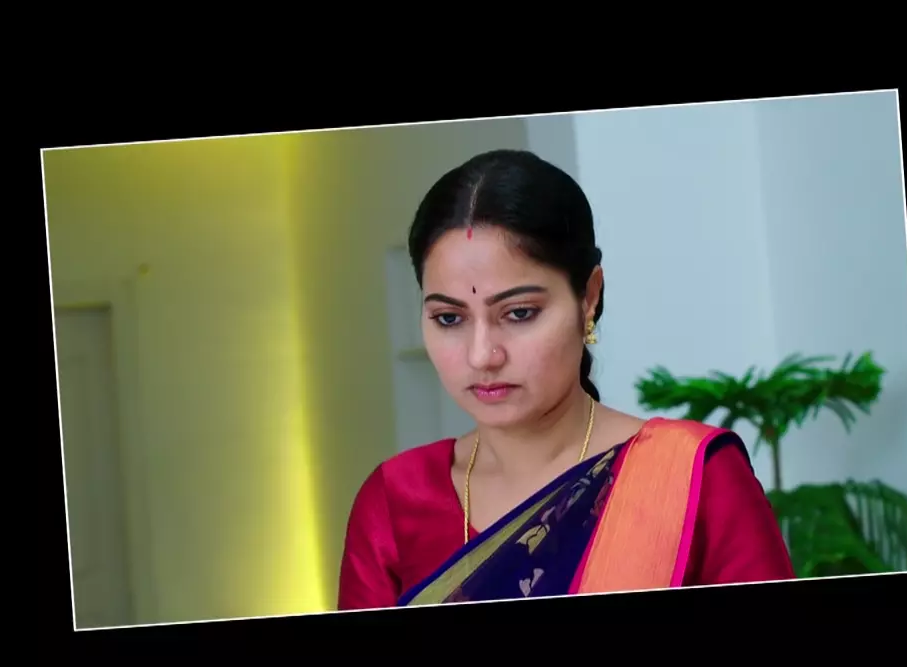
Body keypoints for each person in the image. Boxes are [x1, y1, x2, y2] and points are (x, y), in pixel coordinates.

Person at [337, 149, 794, 610]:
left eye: (519, 313)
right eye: (449, 318)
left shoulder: (694, 478)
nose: (482, 355)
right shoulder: (396, 501)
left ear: (588, 297)